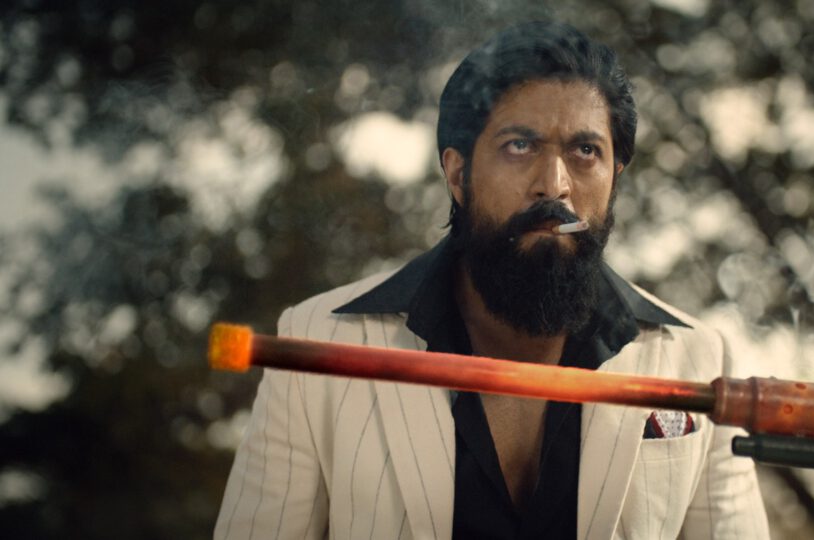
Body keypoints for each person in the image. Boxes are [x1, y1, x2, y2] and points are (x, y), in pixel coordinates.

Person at [215, 22, 769, 539]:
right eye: (519, 146)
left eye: (585, 151)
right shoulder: (314, 341)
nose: (554, 186)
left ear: (615, 177)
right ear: (458, 174)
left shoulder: (698, 359)